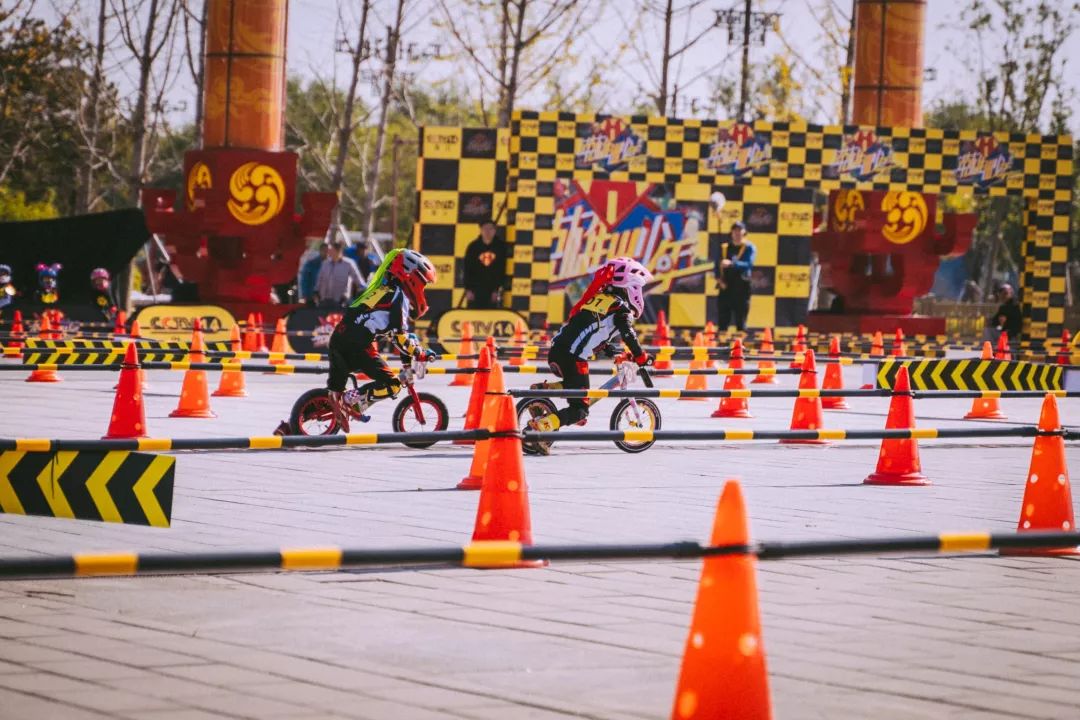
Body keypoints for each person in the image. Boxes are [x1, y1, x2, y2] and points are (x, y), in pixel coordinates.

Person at [525, 257, 654, 454]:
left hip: (558, 351)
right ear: (630, 287)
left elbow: (590, 330)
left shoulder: (598, 299)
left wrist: (610, 349)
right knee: (580, 411)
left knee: (576, 386)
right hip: (573, 358)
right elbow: (628, 334)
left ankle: (542, 390)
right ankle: (541, 428)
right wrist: (641, 356)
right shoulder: (620, 307)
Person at [326, 249, 438, 432]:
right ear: (412, 277)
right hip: (356, 345)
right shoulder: (398, 296)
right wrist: (420, 352)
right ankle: (350, 400)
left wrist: (410, 345)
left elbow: (390, 332)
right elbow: (399, 336)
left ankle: (299, 423)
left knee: (339, 387)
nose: (423, 290)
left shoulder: (382, 290)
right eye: (424, 284)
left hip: (340, 339)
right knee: (393, 385)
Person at [714, 220, 756, 332]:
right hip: (726, 288)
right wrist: (719, 280)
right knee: (722, 323)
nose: (737, 233)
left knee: (740, 323)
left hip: (742, 289)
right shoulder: (724, 248)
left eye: (739, 230)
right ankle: (721, 348)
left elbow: (749, 264)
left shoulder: (749, 248)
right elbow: (716, 266)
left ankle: (740, 348)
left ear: (744, 232)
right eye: (734, 230)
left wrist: (732, 263)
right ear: (731, 233)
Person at [463, 220, 507, 309]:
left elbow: (503, 269)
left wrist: (497, 290)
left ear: (495, 231)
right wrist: (468, 289)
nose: (487, 232)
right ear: (480, 230)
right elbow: (467, 269)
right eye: (485, 229)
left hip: (493, 291)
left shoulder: (501, 247)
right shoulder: (473, 247)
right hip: (475, 290)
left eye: (490, 229)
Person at [315, 239, 365, 308]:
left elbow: (359, 280)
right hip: (324, 300)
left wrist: (363, 292)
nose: (328, 253)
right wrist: (316, 291)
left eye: (331, 250)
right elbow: (319, 279)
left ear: (338, 251)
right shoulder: (325, 264)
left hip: (341, 301)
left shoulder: (349, 264)